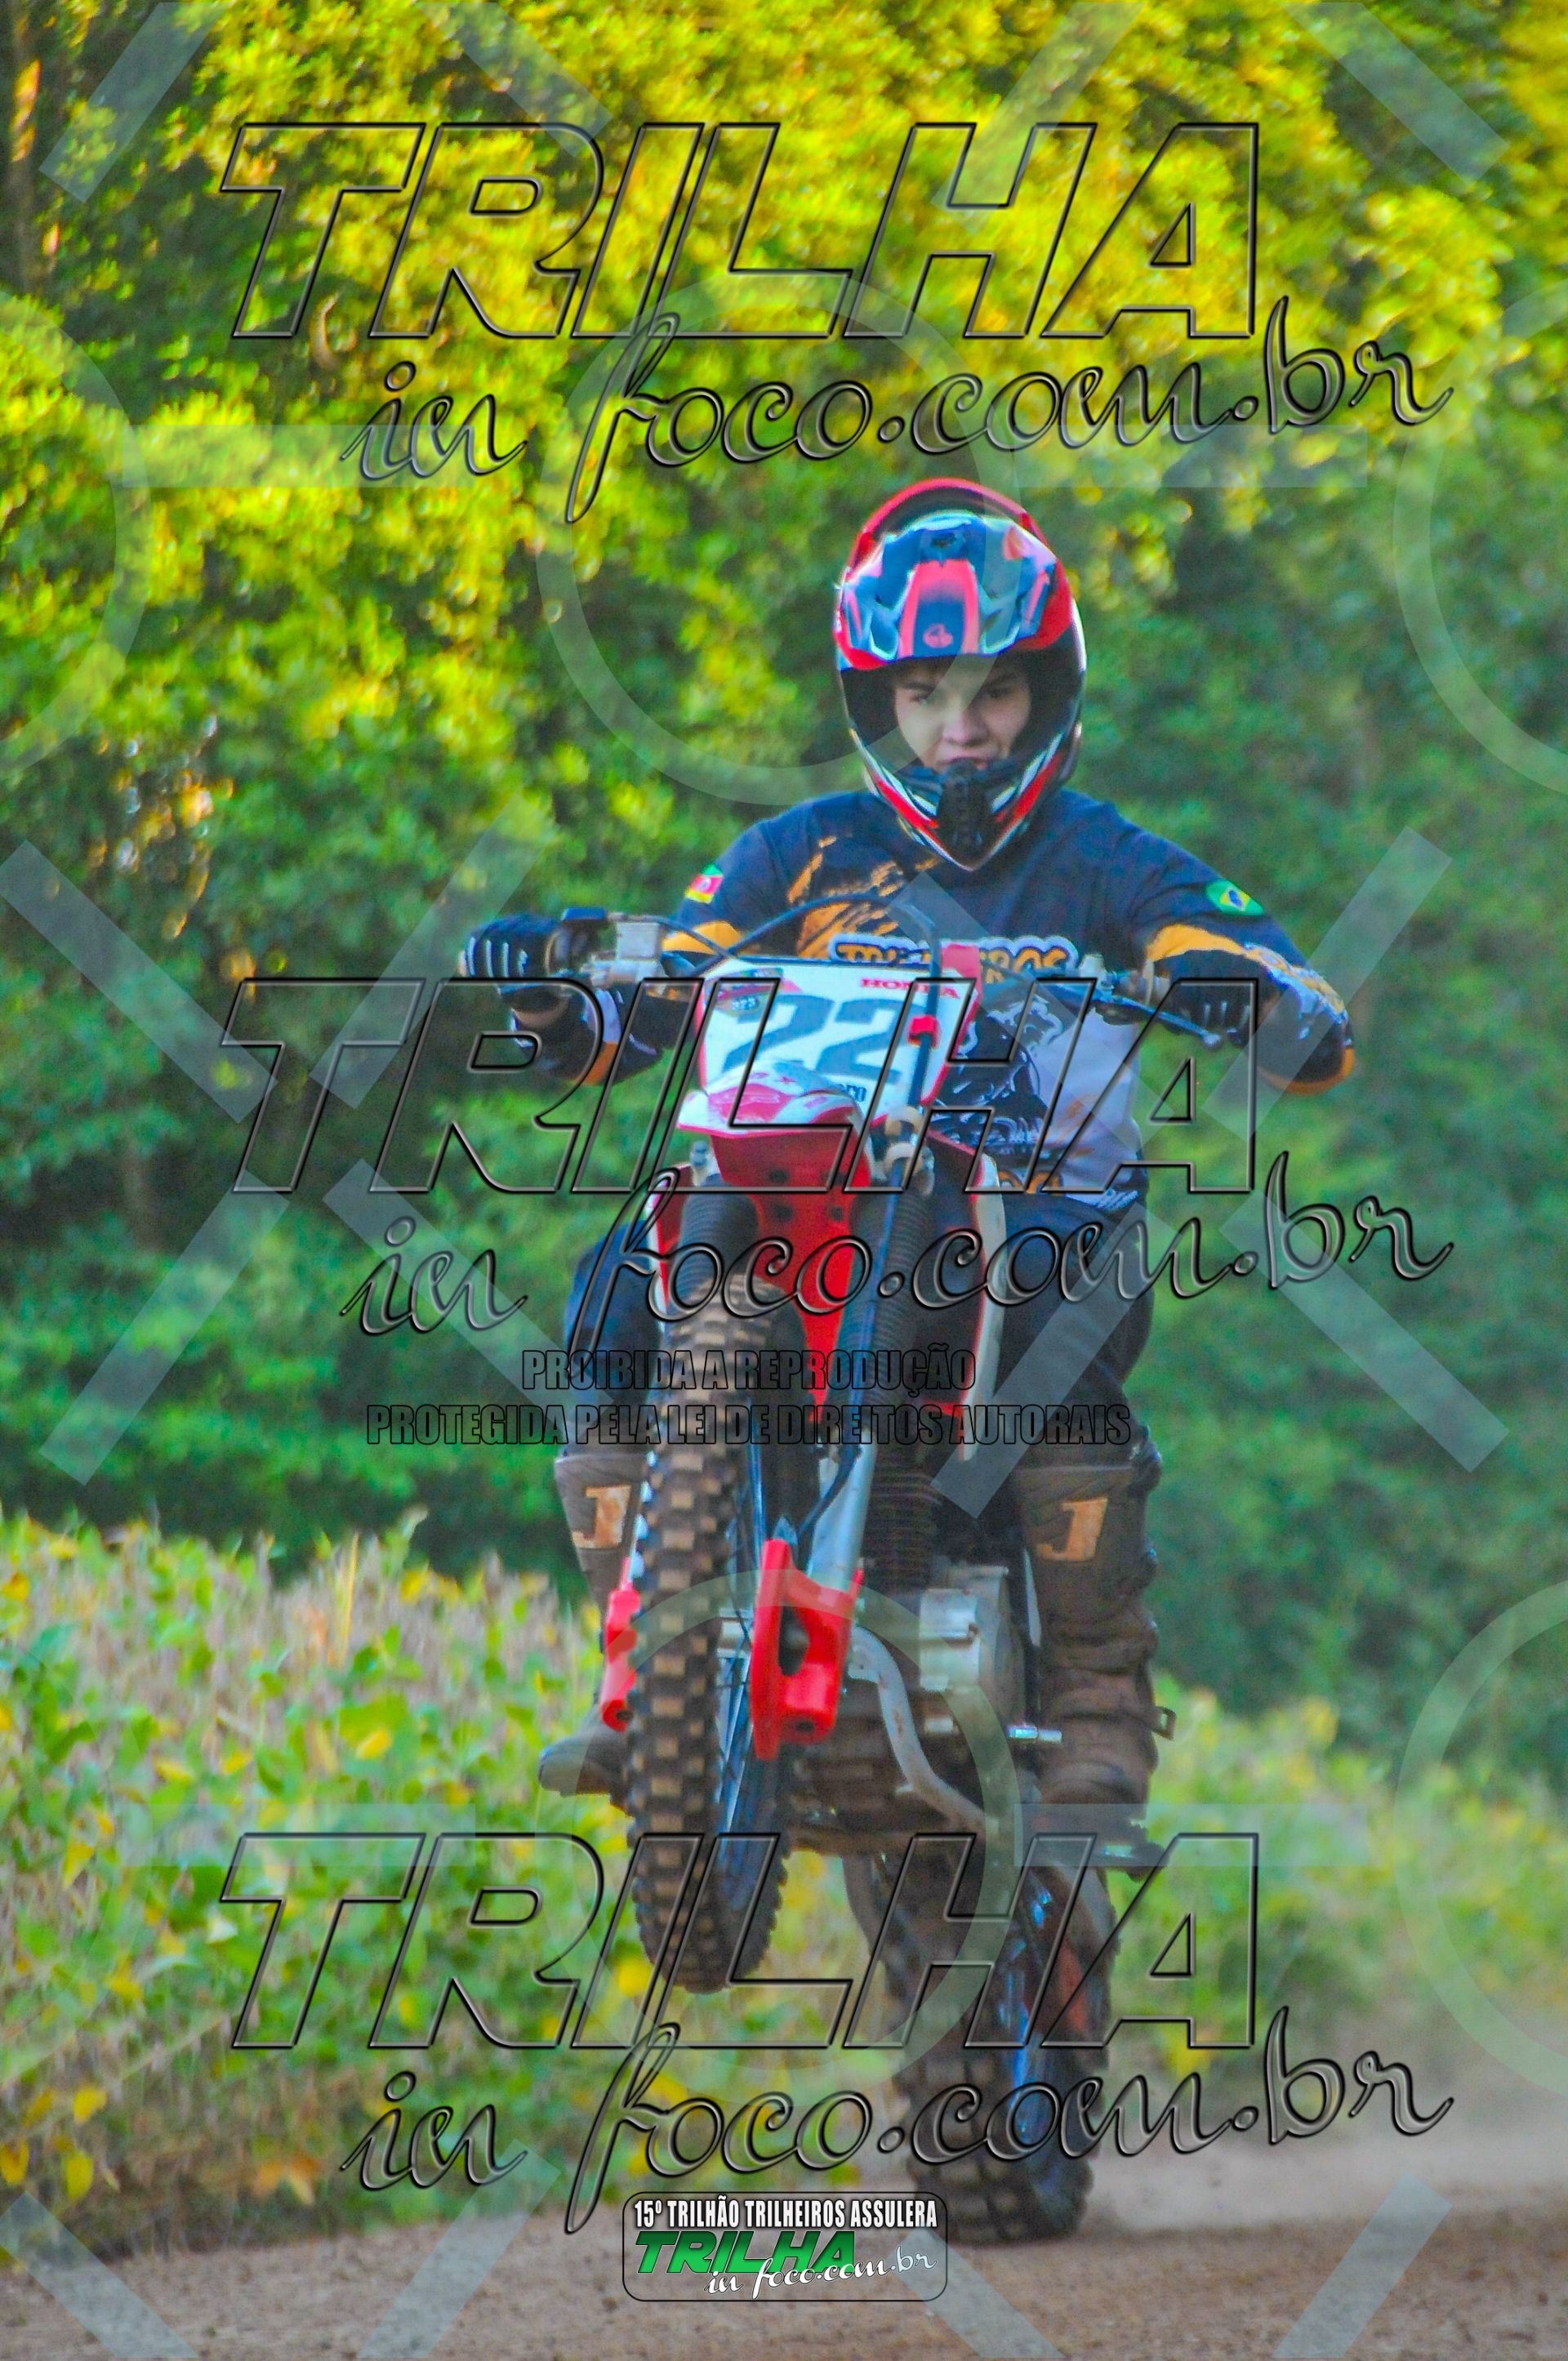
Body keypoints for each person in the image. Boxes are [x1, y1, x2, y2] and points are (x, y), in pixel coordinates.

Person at [463, 478, 1353, 1814]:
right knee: (617, 1301)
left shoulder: (1109, 860)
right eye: (926, 695)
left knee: (1061, 1324)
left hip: (1038, 1204)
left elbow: (1281, 999)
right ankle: (645, 1676)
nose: (960, 727)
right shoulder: (795, 855)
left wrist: (1242, 989)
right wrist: (556, 999)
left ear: (1048, 695)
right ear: (877, 702)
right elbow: (661, 992)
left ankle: (1100, 1696)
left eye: (993, 693)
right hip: (808, 1181)